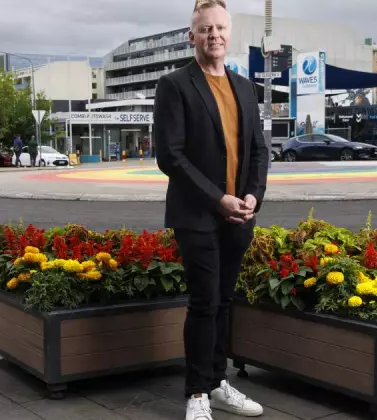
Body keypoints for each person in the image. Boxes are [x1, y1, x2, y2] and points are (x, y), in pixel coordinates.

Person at [153, 1, 268, 419]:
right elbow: (170, 155)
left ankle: (218, 383)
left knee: (224, 301)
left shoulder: (245, 88)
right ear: (192, 36)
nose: (213, 35)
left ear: (229, 33)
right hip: (198, 215)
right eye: (205, 29)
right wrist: (217, 199)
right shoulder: (175, 85)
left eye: (220, 28)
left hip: (240, 215)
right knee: (204, 302)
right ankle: (197, 394)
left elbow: (258, 150)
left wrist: (253, 195)